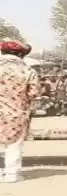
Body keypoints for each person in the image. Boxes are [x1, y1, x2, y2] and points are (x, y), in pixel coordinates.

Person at [0, 41, 40, 183]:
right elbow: (33, 93)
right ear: (20, 54)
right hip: (17, 113)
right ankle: (11, 174)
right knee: (14, 144)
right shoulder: (28, 71)